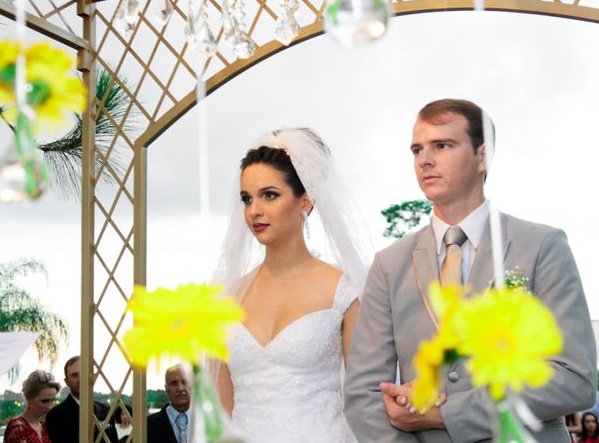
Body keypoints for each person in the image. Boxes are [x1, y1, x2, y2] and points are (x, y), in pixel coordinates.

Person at [344, 98, 597, 443]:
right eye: (417, 150)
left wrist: (446, 414)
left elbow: (574, 378)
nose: (425, 160)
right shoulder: (389, 264)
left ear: (483, 156)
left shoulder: (542, 246)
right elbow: (364, 395)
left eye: (442, 145)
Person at [213, 128, 372, 442]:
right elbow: (220, 411)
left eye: (269, 195)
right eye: (247, 198)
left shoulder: (345, 291)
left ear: (305, 201)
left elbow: (364, 397)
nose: (254, 210)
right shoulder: (227, 298)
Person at [45, 356, 117, 443]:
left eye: (84, 373)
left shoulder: (106, 411)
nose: (80, 379)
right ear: (66, 381)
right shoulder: (55, 415)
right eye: (74, 375)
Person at [3, 370, 59, 443]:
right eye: (44, 401)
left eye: (52, 401)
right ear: (28, 398)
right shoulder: (17, 427)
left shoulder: (45, 426)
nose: (50, 407)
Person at [147, 365, 191, 443]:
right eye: (174, 383)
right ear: (166, 389)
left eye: (185, 382)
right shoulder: (149, 425)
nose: (180, 388)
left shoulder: (208, 421)